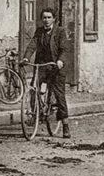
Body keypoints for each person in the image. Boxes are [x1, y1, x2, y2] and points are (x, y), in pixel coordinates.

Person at [22, 8, 71, 138]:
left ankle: (65, 125)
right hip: (42, 65)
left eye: (49, 17)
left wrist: (60, 60)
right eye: (44, 17)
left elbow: (65, 49)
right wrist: (26, 57)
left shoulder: (60, 31)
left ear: (54, 19)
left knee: (59, 94)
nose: (46, 20)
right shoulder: (39, 31)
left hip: (56, 66)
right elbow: (32, 45)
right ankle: (34, 114)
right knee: (34, 87)